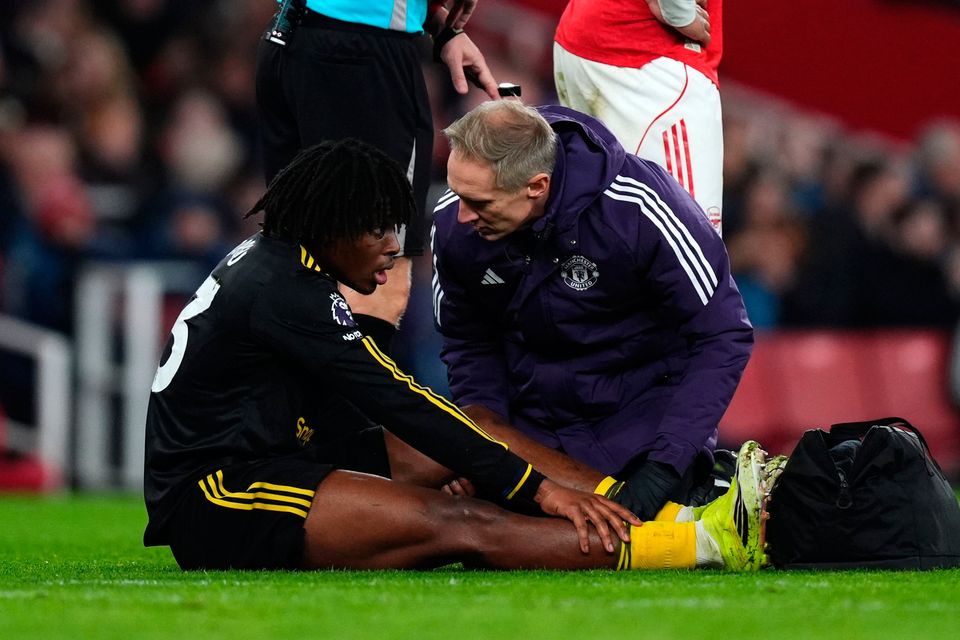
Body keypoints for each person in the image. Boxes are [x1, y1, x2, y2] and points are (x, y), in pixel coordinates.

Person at [142, 138, 772, 572]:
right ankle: (696, 545)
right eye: (380, 230)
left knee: (483, 432)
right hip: (222, 495)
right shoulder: (281, 292)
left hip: (293, 449)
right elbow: (395, 397)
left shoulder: (283, 265)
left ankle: (664, 508)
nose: (395, 247)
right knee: (459, 520)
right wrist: (537, 489)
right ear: (332, 229)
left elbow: (355, 402)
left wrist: (492, 462)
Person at [431, 100, 753, 523]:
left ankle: (701, 484)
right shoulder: (455, 228)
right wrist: (486, 440)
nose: (462, 215)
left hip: (638, 425)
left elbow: (723, 333)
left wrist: (666, 463)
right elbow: (469, 342)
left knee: (628, 531)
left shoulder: (640, 208)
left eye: (480, 202)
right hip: (533, 432)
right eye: (457, 192)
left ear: (536, 186)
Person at [255, 0, 499, 353]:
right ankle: (344, 408)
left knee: (302, 262)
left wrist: (437, 24)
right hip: (363, 60)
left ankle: (294, 407)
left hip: (287, 39)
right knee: (377, 274)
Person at [553, 0, 724, 234]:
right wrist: (678, 10)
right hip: (647, 53)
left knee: (597, 230)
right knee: (693, 240)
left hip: (590, 37)